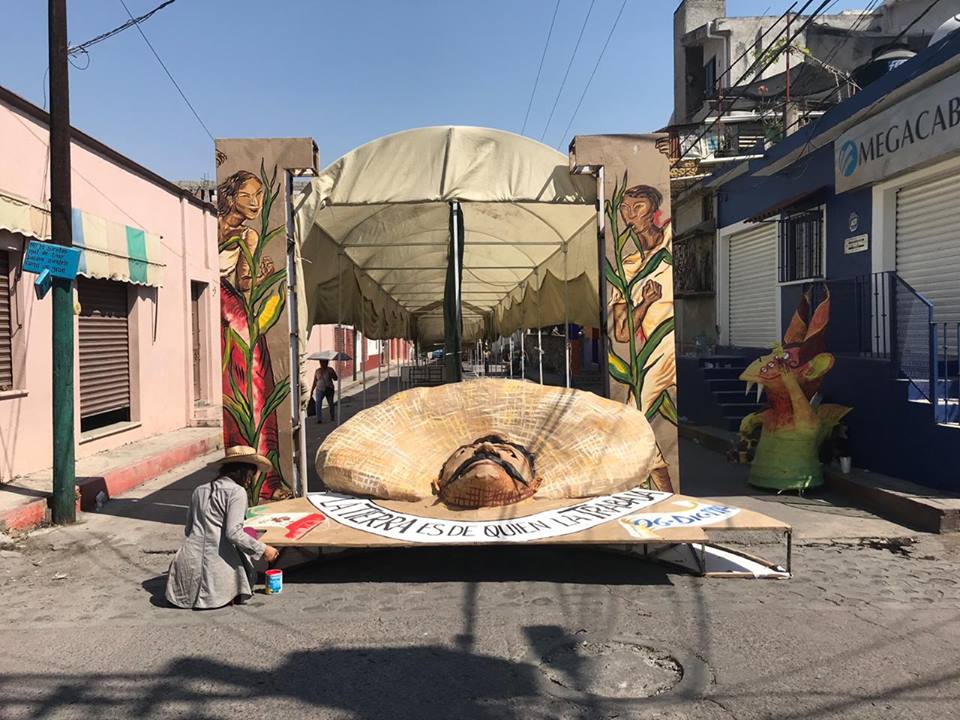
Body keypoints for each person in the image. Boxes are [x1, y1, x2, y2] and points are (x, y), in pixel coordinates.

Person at [165, 446, 280, 609]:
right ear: (246, 473)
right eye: (252, 475)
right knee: (246, 539)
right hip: (216, 572)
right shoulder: (237, 492)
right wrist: (263, 549)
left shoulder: (199, 490)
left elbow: (188, 529)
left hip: (185, 566)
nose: (251, 480)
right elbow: (233, 533)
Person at [311, 359, 338, 423]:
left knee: (330, 403)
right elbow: (315, 381)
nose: (323, 364)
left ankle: (332, 416)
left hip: (329, 389)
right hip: (319, 389)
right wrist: (312, 390)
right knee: (318, 403)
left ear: (327, 362)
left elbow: (336, 378)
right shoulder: (317, 371)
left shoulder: (330, 370)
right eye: (321, 362)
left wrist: (332, 374)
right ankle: (319, 419)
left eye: (324, 362)